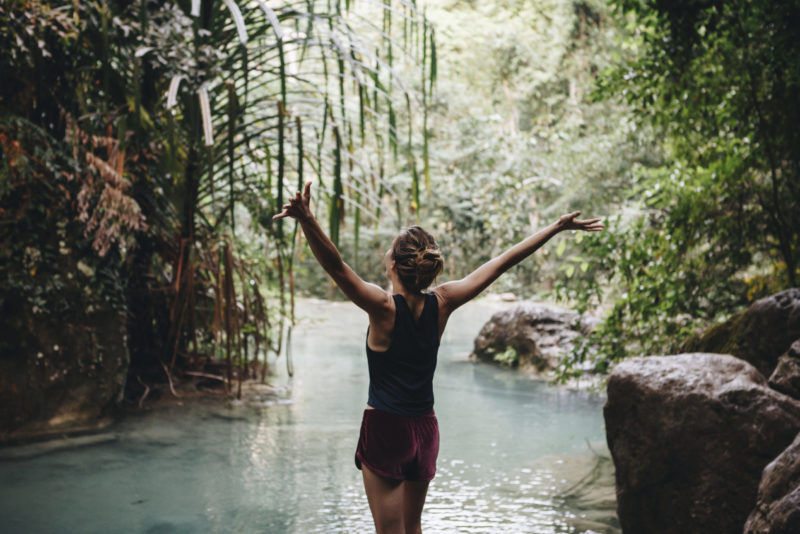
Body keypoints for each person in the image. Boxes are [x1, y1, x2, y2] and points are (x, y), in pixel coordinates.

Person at [273, 182, 605, 534]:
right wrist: (555, 228)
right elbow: (499, 265)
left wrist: (307, 218)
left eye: (389, 250)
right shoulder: (442, 302)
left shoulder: (383, 308)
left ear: (395, 265)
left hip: (387, 429)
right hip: (425, 431)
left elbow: (337, 268)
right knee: (412, 527)